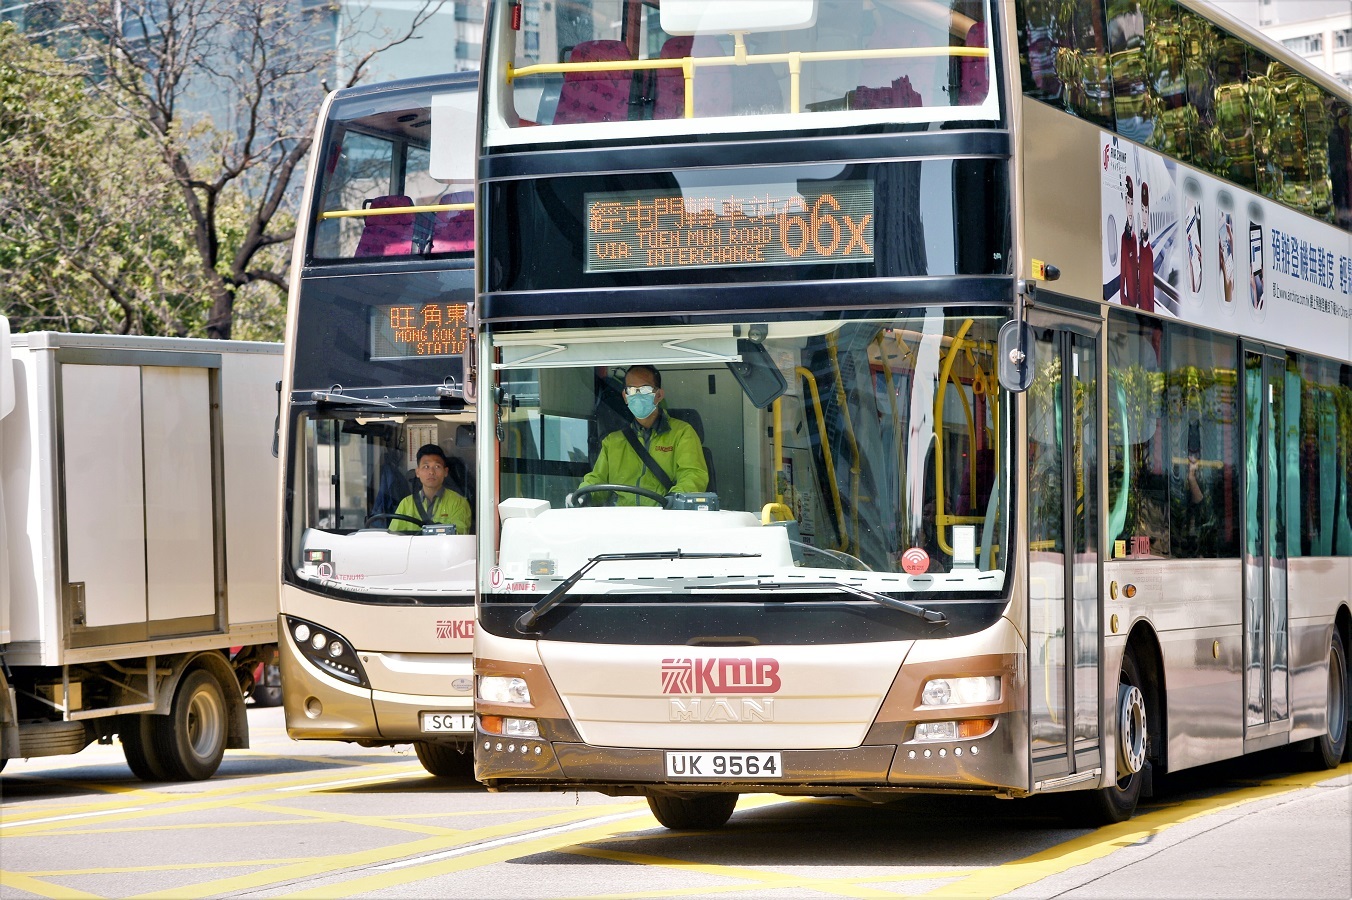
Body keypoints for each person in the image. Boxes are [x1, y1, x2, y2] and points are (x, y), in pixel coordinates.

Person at [578, 364, 708, 506]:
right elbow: (597, 479)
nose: (637, 395)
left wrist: (674, 500)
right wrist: (584, 495)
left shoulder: (682, 433)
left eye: (645, 389)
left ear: (659, 395)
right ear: (625, 396)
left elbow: (693, 475)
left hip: (666, 520)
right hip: (622, 522)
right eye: (631, 390)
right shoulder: (612, 442)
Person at [389, 443, 471, 534]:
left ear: (445, 472)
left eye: (437, 467)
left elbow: (459, 537)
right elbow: (393, 538)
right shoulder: (406, 504)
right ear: (417, 472)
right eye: (426, 467)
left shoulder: (458, 503)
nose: (431, 472)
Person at [1119, 176, 1139, 308]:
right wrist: (1125, 301)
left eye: (1132, 202)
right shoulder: (1124, 238)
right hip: (1130, 302)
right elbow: (1123, 270)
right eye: (1128, 202)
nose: (1130, 208)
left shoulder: (1134, 237)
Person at [1137, 180, 1155, 312]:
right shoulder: (1137, 241)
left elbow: (1149, 286)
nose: (1144, 215)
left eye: (1146, 210)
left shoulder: (1148, 251)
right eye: (1142, 210)